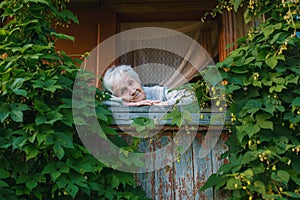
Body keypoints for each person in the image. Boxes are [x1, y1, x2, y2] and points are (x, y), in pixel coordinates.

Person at [102, 65, 195, 106]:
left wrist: (164, 104)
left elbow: (190, 97)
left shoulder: (158, 92)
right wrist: (127, 104)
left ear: (138, 80)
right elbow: (100, 102)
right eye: (123, 91)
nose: (133, 91)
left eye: (131, 83)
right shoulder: (117, 102)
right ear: (116, 96)